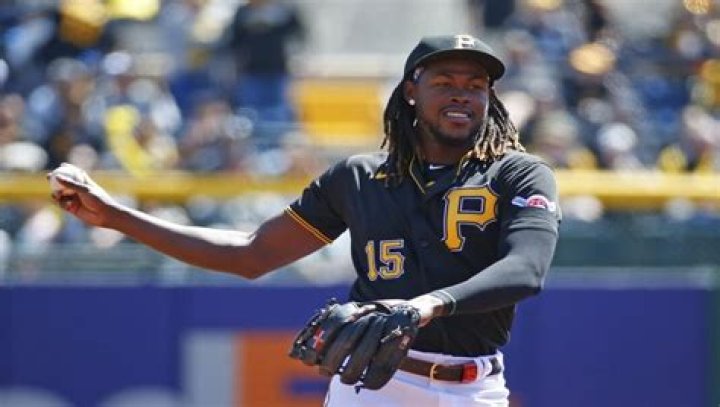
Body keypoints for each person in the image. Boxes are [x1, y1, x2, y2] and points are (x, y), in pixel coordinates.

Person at [49, 34, 561, 406]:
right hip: (375, 388)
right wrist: (117, 217)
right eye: (445, 82)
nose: (462, 94)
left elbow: (526, 270)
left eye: (476, 85)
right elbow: (250, 255)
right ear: (411, 91)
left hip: (473, 388)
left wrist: (424, 305)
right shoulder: (357, 177)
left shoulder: (518, 173)